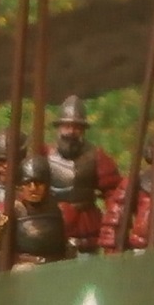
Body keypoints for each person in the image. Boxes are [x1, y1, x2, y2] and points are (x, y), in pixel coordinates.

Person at [45, 96, 120, 255]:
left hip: (85, 226)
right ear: (59, 127)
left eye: (77, 127)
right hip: (52, 223)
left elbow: (114, 192)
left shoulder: (96, 156)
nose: (71, 132)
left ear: (83, 130)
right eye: (67, 126)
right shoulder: (45, 155)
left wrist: (112, 223)